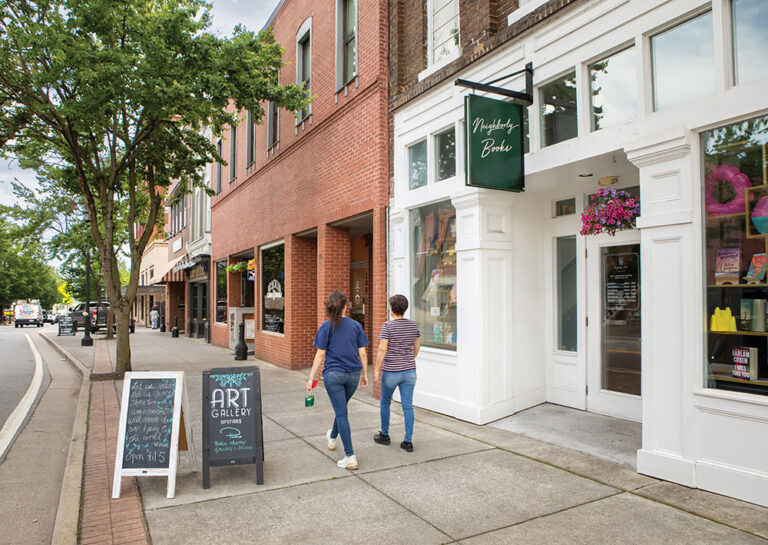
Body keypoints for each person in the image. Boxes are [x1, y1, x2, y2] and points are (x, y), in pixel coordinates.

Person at [306, 291, 369, 470]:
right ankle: (332, 437)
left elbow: (320, 354)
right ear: (345, 306)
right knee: (341, 409)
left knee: (341, 413)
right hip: (353, 375)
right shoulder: (356, 325)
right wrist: (365, 374)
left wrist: (311, 377)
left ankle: (350, 456)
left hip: (333, 375)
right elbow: (363, 352)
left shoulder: (326, 326)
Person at [373, 294, 420, 452]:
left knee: (385, 402)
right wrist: (408, 359)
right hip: (410, 371)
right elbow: (417, 347)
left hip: (391, 372)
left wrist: (377, 369)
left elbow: (382, 349)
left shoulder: (388, 326)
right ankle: (408, 441)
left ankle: (384, 435)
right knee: (407, 406)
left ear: (392, 309)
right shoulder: (413, 325)